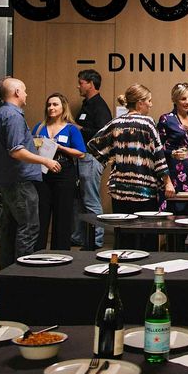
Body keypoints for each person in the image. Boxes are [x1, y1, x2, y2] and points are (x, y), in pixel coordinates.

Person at [0, 76, 61, 267]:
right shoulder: (13, 116)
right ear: (17, 92)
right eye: (25, 90)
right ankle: (22, 273)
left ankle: (8, 273)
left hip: (6, 179)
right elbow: (16, 150)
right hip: (19, 180)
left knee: (9, 229)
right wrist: (45, 160)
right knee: (29, 228)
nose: (27, 94)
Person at [88, 83, 176, 215]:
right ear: (140, 103)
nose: (151, 104)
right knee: (145, 227)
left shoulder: (116, 123)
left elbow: (93, 145)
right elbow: (159, 156)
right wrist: (167, 182)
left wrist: (112, 157)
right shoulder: (148, 123)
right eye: (149, 101)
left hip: (119, 191)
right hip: (144, 190)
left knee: (122, 227)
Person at [32, 92, 86, 250]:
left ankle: (60, 253)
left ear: (63, 107)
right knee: (41, 213)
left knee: (62, 215)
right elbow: (31, 147)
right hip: (42, 173)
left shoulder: (71, 129)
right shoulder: (39, 127)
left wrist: (61, 148)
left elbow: (81, 153)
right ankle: (38, 253)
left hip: (64, 173)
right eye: (49, 105)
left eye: (55, 104)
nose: (51, 107)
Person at [71, 69, 112, 248]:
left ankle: (96, 240)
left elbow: (104, 134)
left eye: (81, 83)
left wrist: (79, 129)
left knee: (90, 199)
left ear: (91, 84)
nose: (78, 86)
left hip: (92, 157)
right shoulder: (86, 105)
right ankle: (80, 237)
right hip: (82, 157)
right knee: (80, 200)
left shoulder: (99, 107)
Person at [156, 82, 188, 215]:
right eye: (183, 99)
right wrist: (172, 153)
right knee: (176, 212)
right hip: (175, 171)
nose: (187, 102)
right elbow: (157, 150)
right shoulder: (166, 119)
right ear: (175, 100)